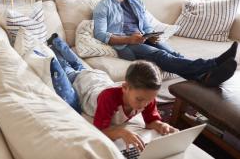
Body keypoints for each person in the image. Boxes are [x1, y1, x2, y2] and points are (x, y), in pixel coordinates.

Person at [93, 0, 238, 87]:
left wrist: (151, 35)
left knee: (176, 55)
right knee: (161, 55)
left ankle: (205, 78)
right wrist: (130, 40)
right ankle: (214, 63)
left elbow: (146, 26)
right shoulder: (103, 6)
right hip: (126, 45)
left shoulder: (136, 3)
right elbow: (100, 34)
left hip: (144, 38)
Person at [47, 34, 177, 151]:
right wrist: (122, 132)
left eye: (149, 100)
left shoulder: (146, 97)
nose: (144, 105)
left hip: (100, 79)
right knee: (69, 68)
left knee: (78, 65)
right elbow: (101, 130)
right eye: (139, 100)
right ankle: (53, 44)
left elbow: (150, 121)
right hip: (86, 84)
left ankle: (58, 42)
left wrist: (160, 125)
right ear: (125, 87)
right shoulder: (108, 99)